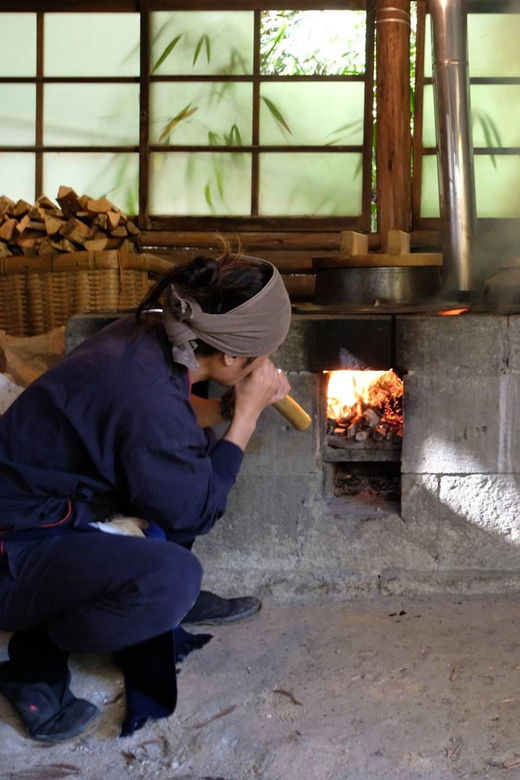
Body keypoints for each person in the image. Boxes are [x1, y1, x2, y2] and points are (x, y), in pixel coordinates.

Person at [0, 253, 291, 742]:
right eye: (259, 355)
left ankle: (114, 597)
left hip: (58, 507)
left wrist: (230, 403)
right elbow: (196, 511)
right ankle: (38, 655)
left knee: (188, 462)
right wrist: (245, 417)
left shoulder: (153, 331)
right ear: (231, 359)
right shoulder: (144, 395)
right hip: (15, 547)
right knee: (171, 580)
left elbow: (168, 424)